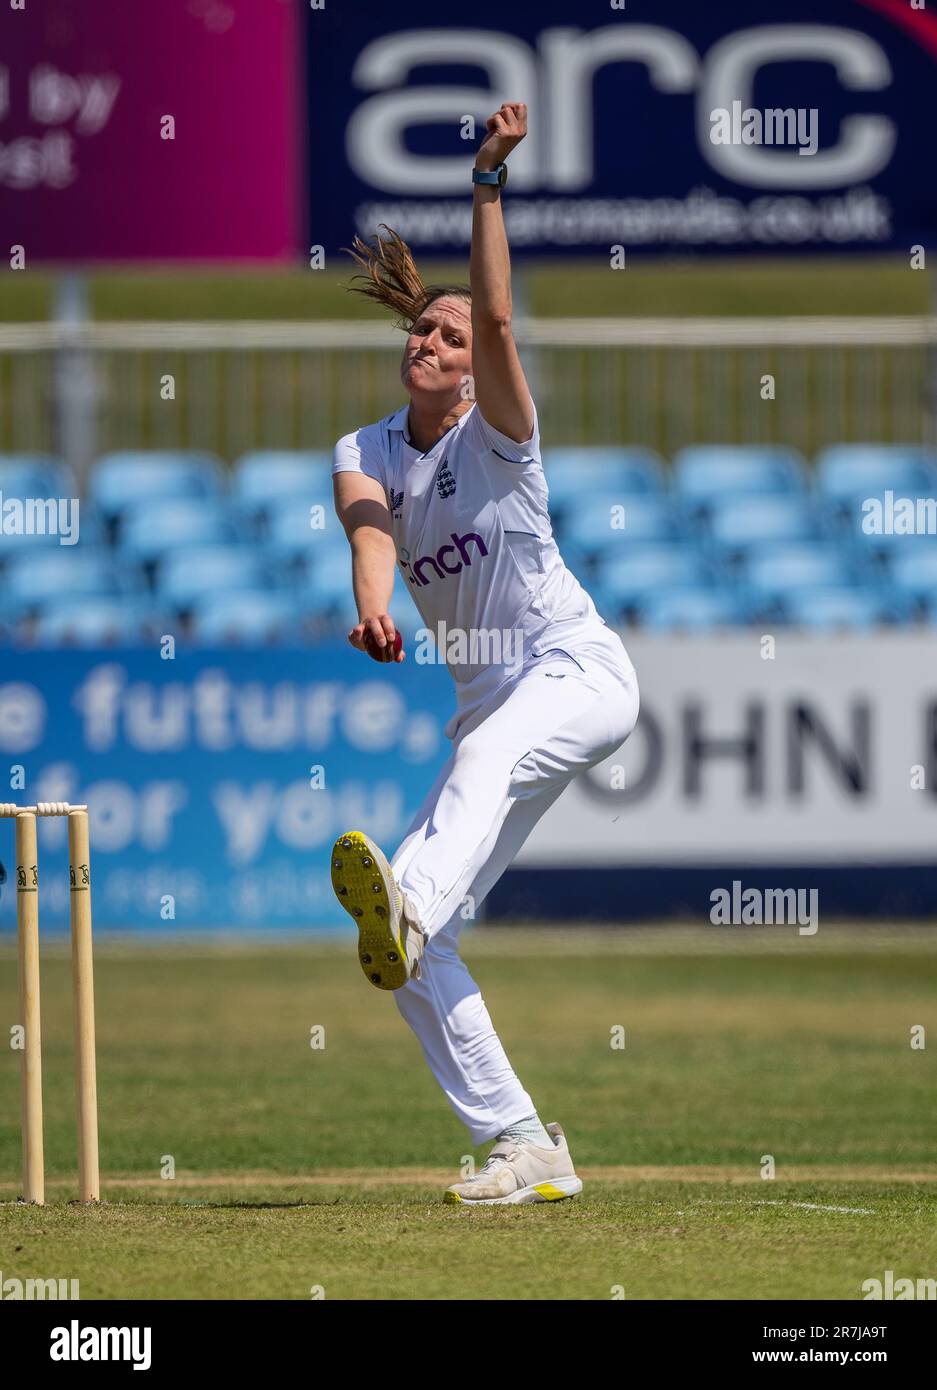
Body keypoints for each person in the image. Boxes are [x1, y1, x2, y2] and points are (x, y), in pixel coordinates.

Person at [330, 103, 639, 1205]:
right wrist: (375, 611)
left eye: (449, 339)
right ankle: (524, 1142)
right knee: (419, 958)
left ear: (470, 374)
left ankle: (407, 896)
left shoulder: (496, 430)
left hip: (578, 673)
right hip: (490, 703)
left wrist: (486, 185)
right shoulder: (362, 448)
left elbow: (503, 323)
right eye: (423, 331)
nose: (432, 343)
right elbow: (372, 530)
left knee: (469, 783)